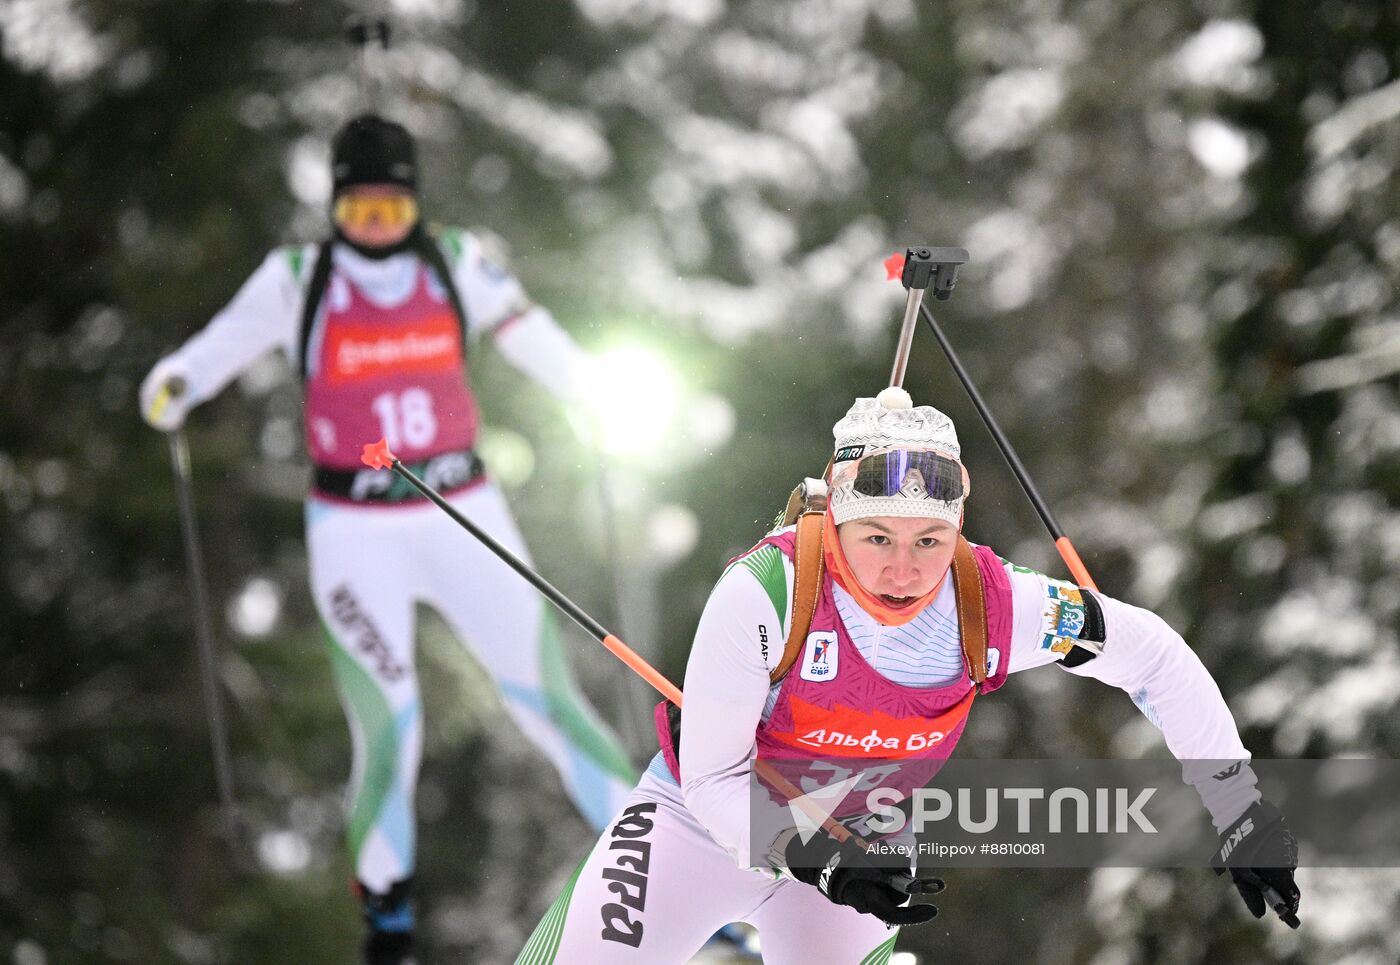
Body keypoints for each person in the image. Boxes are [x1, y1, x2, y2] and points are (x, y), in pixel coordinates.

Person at [516, 388, 1301, 964]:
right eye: (877, 537)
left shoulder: (992, 604)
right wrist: (814, 851)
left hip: (866, 841)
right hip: (700, 827)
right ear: (834, 521)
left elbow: (1152, 652)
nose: (903, 568)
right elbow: (714, 783)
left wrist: (1238, 803)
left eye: (930, 539)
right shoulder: (766, 593)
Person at [140, 114, 635, 965]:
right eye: (359, 214)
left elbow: (534, 336)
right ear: (335, 209)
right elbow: (209, 353)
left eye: (392, 214)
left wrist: (588, 388)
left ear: (416, 207)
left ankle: (662, 872)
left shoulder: (455, 262)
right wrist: (172, 385)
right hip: (354, 531)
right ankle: (388, 926)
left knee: (548, 700)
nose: (377, 230)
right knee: (387, 723)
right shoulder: (297, 278)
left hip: (463, 511)